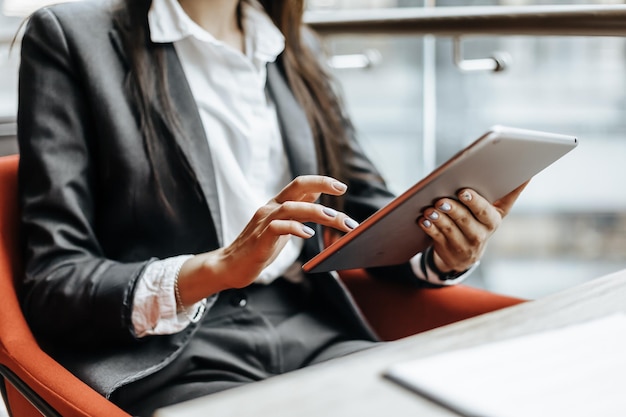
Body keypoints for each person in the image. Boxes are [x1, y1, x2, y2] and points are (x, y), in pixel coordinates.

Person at [16, 0, 526, 415]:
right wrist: (215, 269)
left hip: (308, 328)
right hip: (170, 355)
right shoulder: (72, 37)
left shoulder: (294, 46)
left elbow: (364, 213)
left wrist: (444, 248)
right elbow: (53, 281)